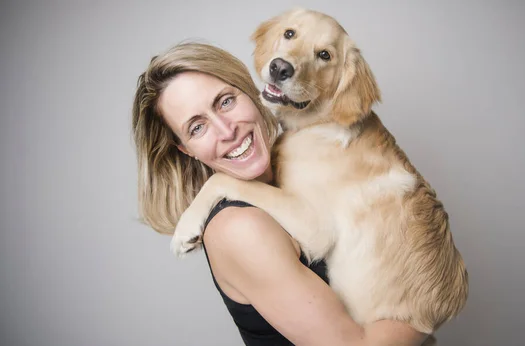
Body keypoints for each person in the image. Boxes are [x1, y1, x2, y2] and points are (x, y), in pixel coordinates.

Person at [131, 42, 428, 346]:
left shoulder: (304, 166)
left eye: (225, 102)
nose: (226, 130)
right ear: (186, 150)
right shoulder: (238, 227)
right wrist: (431, 294)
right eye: (197, 127)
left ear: (249, 91)